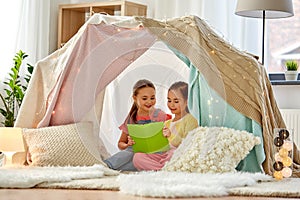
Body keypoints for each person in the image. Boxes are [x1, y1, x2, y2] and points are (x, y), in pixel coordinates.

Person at [104, 79, 171, 171]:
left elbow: (173, 137)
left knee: (135, 158)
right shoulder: (131, 118)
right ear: (135, 98)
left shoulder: (160, 115)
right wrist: (127, 144)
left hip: (155, 153)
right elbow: (120, 144)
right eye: (144, 98)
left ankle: (109, 167)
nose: (149, 102)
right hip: (136, 152)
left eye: (152, 98)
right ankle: (106, 166)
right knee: (130, 154)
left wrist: (168, 133)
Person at [133, 81, 198, 171]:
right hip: (163, 154)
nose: (171, 104)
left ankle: (163, 168)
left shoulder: (190, 119)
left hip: (177, 153)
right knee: (137, 157)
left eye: (176, 101)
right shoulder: (167, 122)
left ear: (186, 102)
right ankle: (162, 169)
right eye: (169, 100)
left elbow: (188, 144)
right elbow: (161, 145)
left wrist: (170, 135)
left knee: (173, 153)